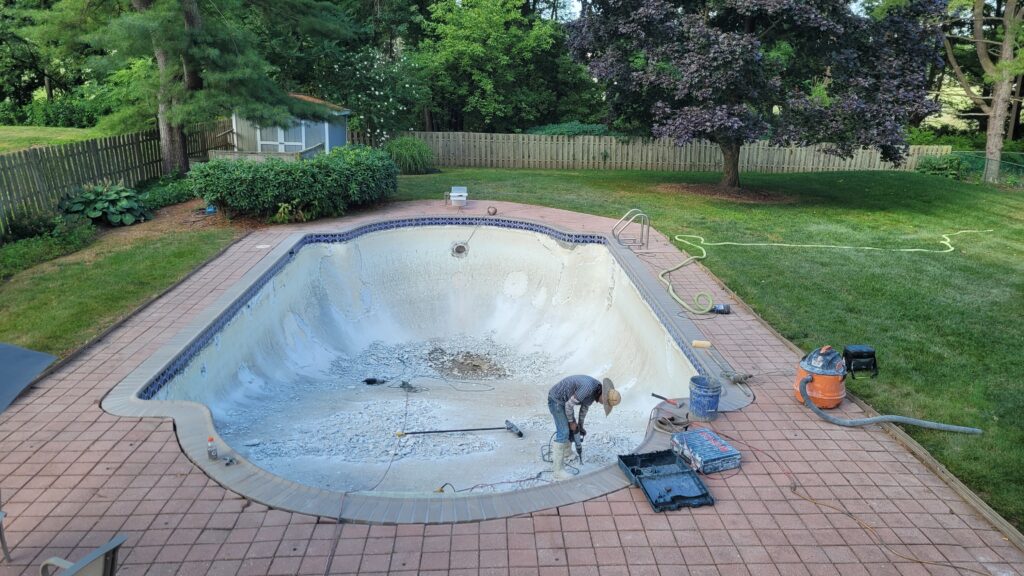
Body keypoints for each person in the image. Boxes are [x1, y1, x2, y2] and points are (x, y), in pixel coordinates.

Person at [547, 375, 620, 480]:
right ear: (603, 396)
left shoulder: (596, 391)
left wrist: (580, 427)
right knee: (563, 431)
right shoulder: (588, 388)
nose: (602, 404)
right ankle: (557, 471)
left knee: (573, 428)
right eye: (604, 403)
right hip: (556, 400)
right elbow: (568, 405)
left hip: (565, 401)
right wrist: (571, 422)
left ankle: (566, 452)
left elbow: (584, 409)